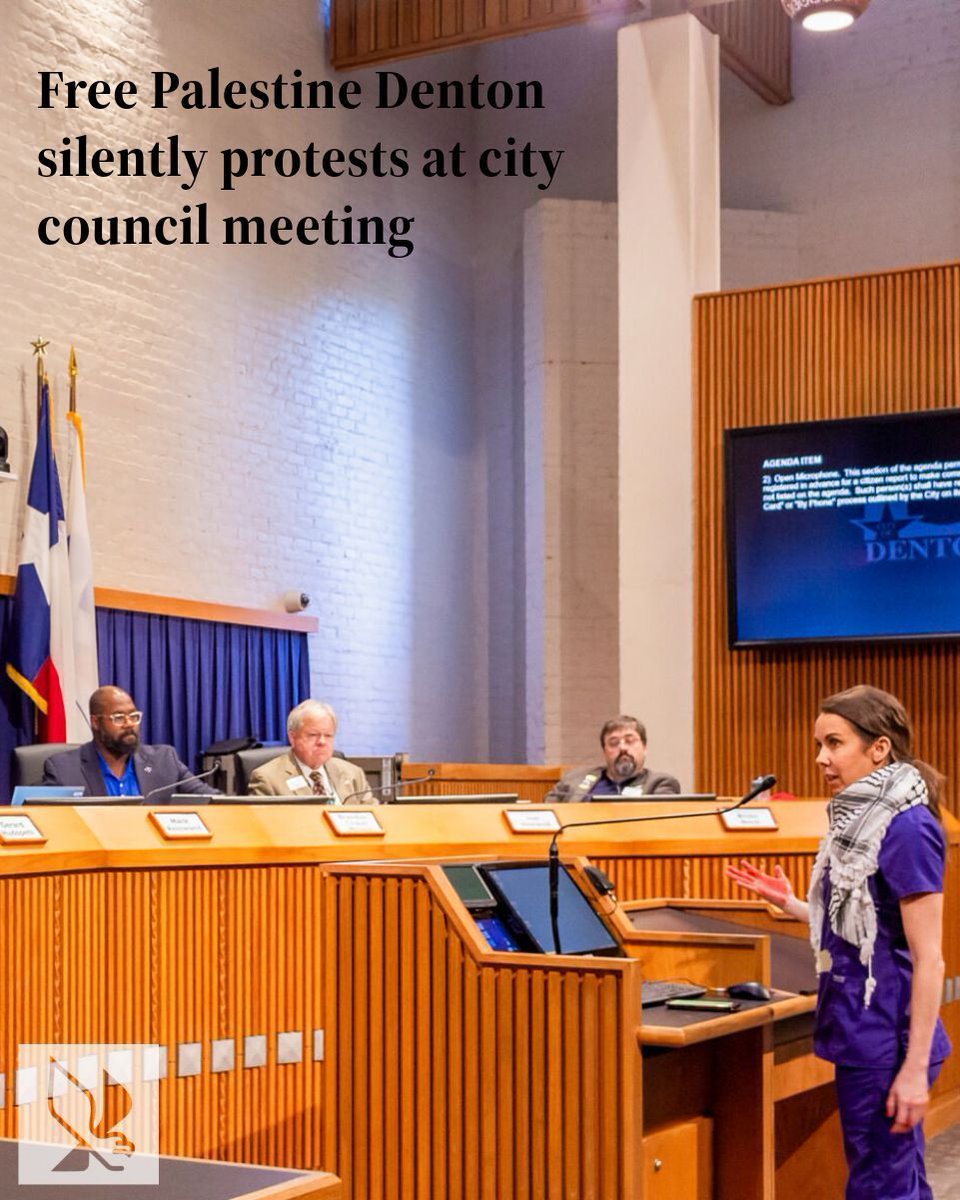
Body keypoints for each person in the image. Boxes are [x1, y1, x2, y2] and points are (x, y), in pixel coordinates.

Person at [726, 685, 950, 1200]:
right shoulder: (859, 819)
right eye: (819, 744)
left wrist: (913, 1070)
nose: (820, 758)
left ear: (879, 749)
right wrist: (792, 905)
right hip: (863, 1029)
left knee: (879, 1187)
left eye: (833, 743)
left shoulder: (906, 827)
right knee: (898, 1179)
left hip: (888, 1039)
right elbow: (866, 927)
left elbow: (929, 958)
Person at [42, 685, 218, 800]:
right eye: (118, 718)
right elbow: (41, 818)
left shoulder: (164, 760)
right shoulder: (63, 769)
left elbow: (213, 800)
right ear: (95, 722)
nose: (129, 724)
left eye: (134, 716)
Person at [247, 699, 374, 803]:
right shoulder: (268, 779)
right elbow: (263, 828)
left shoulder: (353, 773)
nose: (322, 742)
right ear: (293, 737)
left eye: (328, 735)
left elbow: (376, 818)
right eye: (313, 735)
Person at [545, 715, 681, 801]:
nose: (622, 748)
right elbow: (549, 811)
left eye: (630, 740)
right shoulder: (574, 778)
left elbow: (658, 824)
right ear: (604, 751)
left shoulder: (660, 783)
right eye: (613, 743)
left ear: (644, 747)